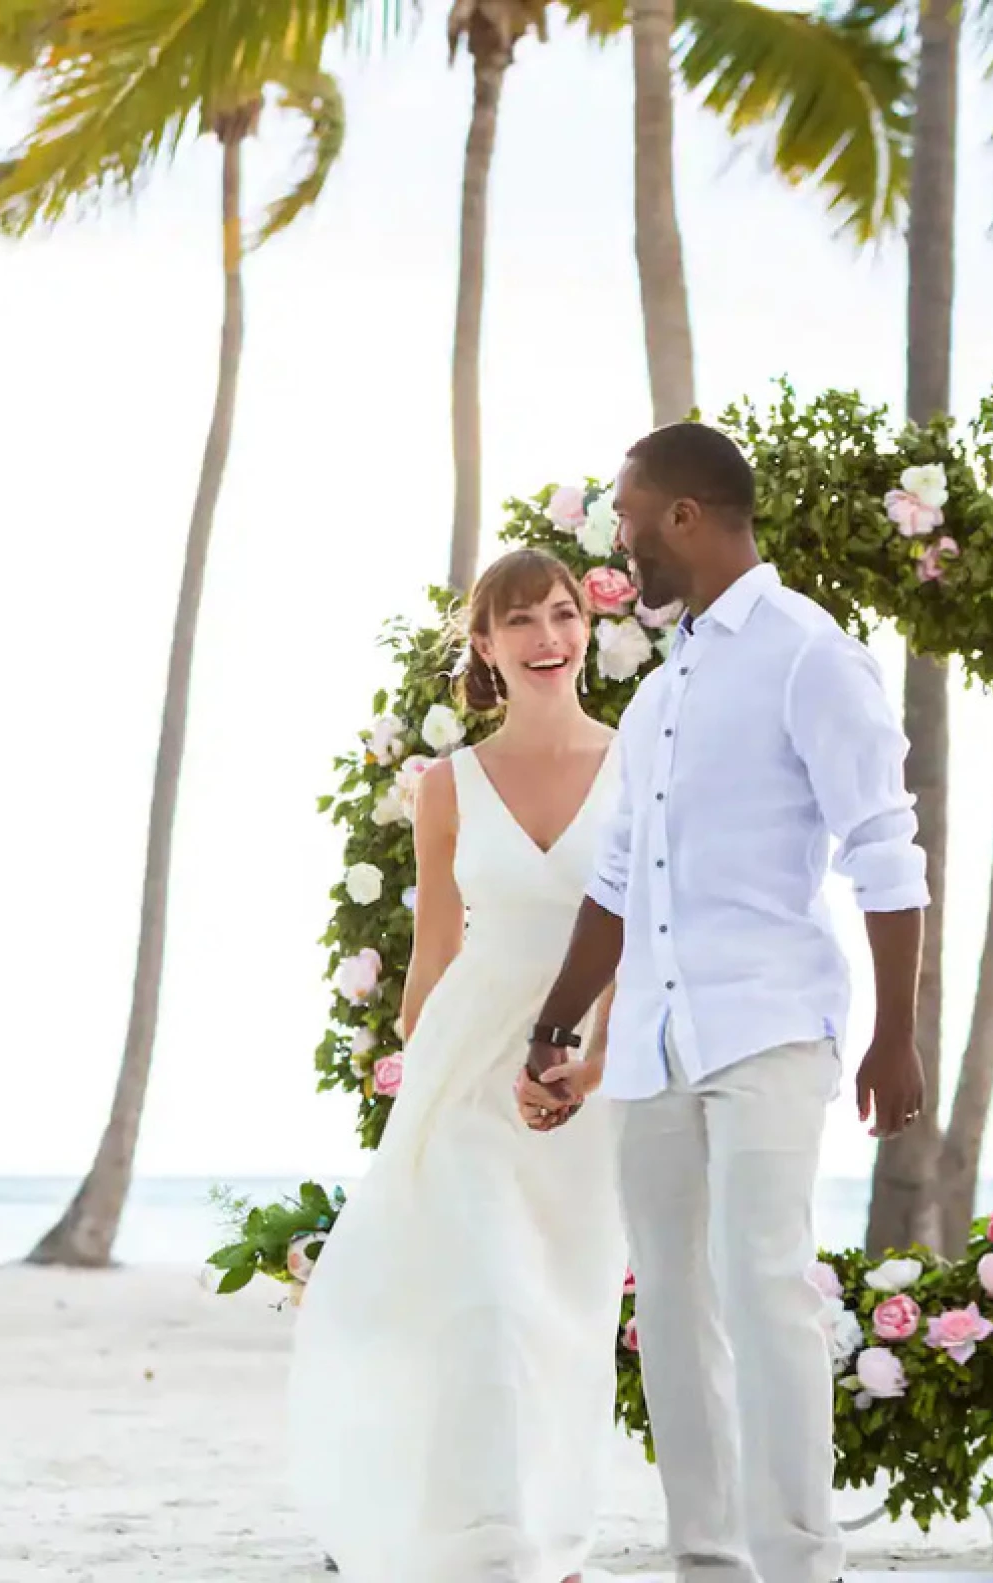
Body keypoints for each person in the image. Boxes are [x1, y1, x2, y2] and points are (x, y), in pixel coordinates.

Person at [517, 422, 929, 1583]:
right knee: (674, 1312)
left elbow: (883, 850)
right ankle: (708, 1560)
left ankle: (802, 1566)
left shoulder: (809, 653)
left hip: (767, 1027)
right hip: (649, 1046)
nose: (623, 542)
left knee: (763, 1287)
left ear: (686, 517)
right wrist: (556, 1026)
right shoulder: (657, 696)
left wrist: (895, 1032)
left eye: (632, 519)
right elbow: (614, 880)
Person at [288, 548, 627, 1582]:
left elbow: (654, 928)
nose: (545, 638)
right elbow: (434, 956)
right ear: (483, 644)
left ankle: (551, 1540)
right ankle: (492, 1553)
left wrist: (597, 1058)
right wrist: (413, 1078)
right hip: (470, 1066)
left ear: (588, 629)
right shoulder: (446, 784)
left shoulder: (640, 762)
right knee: (487, 1300)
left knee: (561, 1318)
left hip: (593, 1070)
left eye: (562, 614)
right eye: (518, 621)